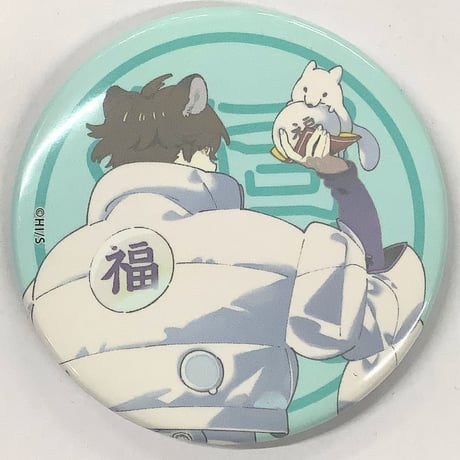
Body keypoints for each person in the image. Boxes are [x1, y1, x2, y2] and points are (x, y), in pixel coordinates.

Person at [25, 76, 425, 445]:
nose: (215, 166)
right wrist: (339, 176)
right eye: (212, 154)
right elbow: (373, 316)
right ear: (193, 152)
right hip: (235, 436)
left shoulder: (48, 276)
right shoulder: (258, 238)